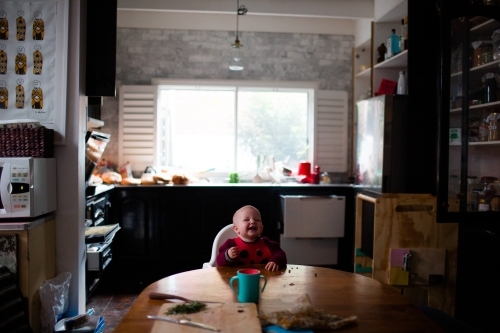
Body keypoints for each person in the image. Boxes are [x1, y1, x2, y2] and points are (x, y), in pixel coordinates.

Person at [216, 205, 287, 271]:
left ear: (262, 227)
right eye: (246, 220)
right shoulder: (230, 244)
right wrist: (228, 256)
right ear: (236, 229)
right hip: (238, 280)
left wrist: (275, 261)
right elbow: (219, 262)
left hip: (264, 280)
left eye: (257, 220)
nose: (253, 221)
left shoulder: (267, 244)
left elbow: (281, 254)